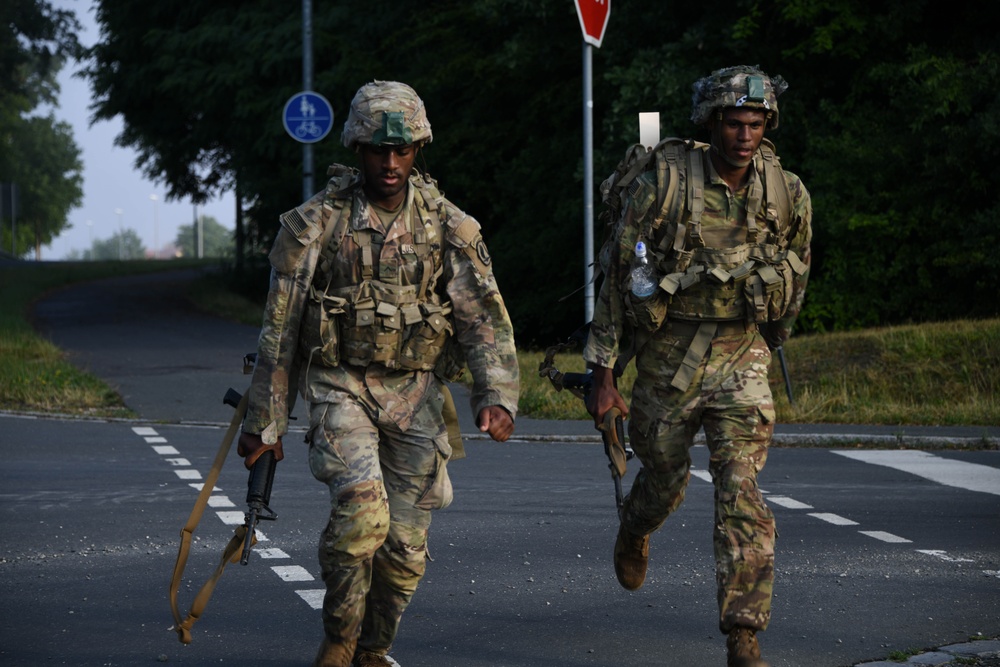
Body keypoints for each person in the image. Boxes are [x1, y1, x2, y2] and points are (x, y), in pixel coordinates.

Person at [237, 80, 519, 667]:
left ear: (419, 149)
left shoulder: (449, 226)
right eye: (376, 150)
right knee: (362, 513)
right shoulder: (316, 224)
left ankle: (373, 649)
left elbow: (482, 318)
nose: (389, 164)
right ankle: (339, 640)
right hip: (340, 387)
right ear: (357, 148)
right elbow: (281, 329)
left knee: (405, 550)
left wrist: (495, 395)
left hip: (415, 395)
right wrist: (266, 423)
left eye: (403, 150)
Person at [583, 65, 812, 667]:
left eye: (755, 123)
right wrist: (603, 374)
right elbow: (615, 279)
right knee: (663, 478)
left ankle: (743, 633)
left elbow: (799, 264)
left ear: (769, 124)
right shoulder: (663, 183)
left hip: (742, 355)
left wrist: (777, 329)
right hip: (668, 357)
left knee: (741, 488)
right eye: (734, 123)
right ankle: (636, 527)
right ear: (713, 124)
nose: (744, 135)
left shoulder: (786, 191)